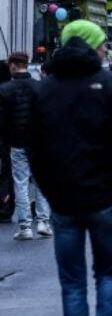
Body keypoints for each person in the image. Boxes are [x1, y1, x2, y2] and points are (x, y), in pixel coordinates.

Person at [27, 20, 112, 316]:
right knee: (107, 272)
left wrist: (49, 189)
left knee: (71, 282)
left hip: (64, 199)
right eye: (102, 44)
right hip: (105, 197)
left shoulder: (45, 89)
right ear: (91, 46)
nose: (105, 50)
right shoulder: (111, 84)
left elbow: (34, 147)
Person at [2, 52, 50, 240]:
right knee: (41, 183)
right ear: (27, 65)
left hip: (17, 142)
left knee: (21, 184)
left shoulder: (5, 89)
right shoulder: (40, 87)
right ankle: (43, 222)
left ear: (13, 65)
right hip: (40, 143)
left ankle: (25, 227)